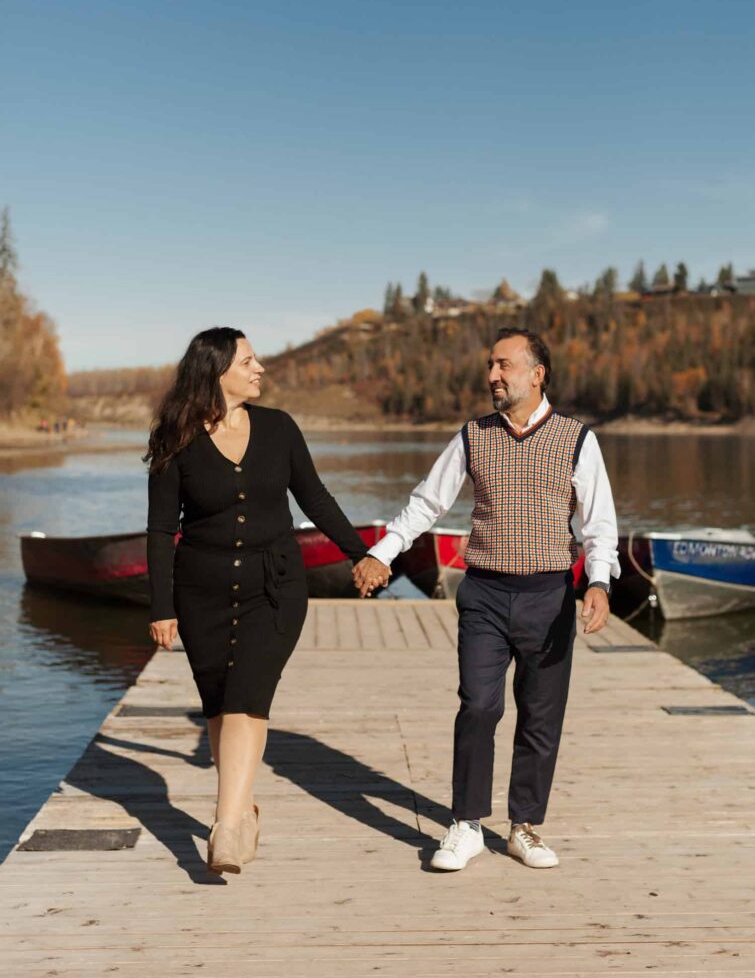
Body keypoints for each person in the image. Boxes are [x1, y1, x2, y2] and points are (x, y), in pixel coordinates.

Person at [353, 327, 619, 870]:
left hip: (549, 595)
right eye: (490, 367)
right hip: (486, 595)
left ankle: (523, 827)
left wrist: (598, 582)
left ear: (536, 373)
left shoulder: (576, 439)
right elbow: (426, 505)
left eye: (504, 366)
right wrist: (382, 554)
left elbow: (599, 525)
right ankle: (467, 824)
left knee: (541, 714)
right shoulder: (472, 436)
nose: (493, 376)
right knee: (479, 705)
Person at [146, 327, 369, 875]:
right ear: (216, 370)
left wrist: (363, 555)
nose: (260, 367)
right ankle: (241, 807)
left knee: (248, 695)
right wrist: (160, 606)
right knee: (222, 704)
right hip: (201, 593)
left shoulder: (279, 428)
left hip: (276, 588)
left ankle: (226, 827)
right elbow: (157, 532)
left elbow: (314, 496)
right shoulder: (175, 436)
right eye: (248, 359)